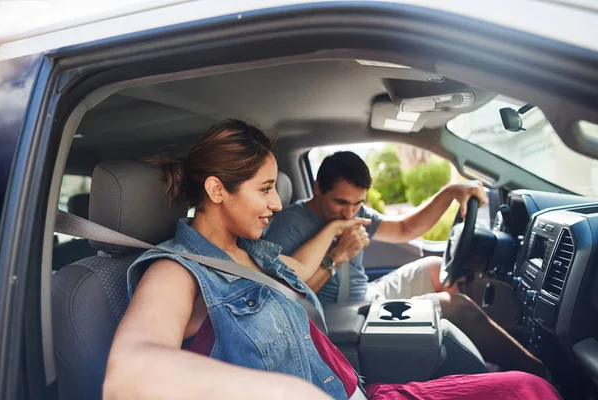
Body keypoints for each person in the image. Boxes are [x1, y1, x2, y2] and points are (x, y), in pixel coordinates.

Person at [103, 119, 561, 400]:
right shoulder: (175, 271)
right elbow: (129, 374)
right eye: (265, 189)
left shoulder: (252, 252)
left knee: (529, 389)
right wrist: (288, 395)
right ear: (217, 190)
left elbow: (300, 276)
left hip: (360, 390)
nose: (278, 203)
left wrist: (335, 233)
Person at [263, 151, 546, 377]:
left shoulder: (356, 211)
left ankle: (474, 356)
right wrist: (337, 256)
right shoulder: (291, 225)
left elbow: (404, 229)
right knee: (455, 306)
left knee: (434, 266)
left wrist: (449, 193)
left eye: (358, 202)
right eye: (341, 202)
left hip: (366, 294)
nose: (350, 212)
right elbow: (289, 299)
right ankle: (537, 371)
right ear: (318, 189)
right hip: (338, 314)